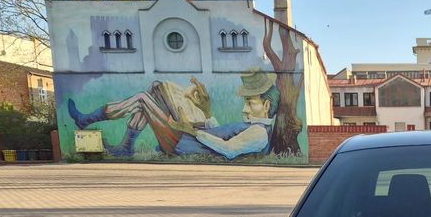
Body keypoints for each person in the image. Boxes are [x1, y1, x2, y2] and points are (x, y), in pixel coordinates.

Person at [67, 67, 279, 159]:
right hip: (188, 136)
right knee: (156, 86)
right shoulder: (253, 127)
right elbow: (220, 133)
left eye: (250, 103)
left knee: (143, 99)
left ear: (267, 106)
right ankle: (126, 146)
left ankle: (88, 120)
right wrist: (206, 111)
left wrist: (192, 131)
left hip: (183, 143)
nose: (245, 108)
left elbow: (229, 150)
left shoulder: (259, 134)